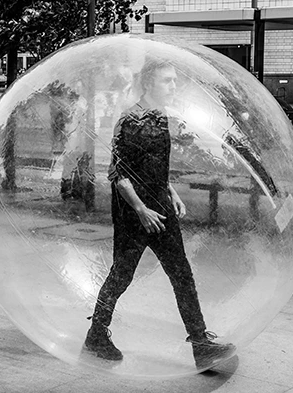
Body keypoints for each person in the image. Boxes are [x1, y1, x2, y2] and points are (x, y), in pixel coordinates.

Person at [83, 59, 235, 370]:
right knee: (121, 276)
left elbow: (155, 167)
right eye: (167, 80)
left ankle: (201, 345)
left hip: (161, 208)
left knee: (182, 274)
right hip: (133, 213)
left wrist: (172, 193)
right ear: (149, 84)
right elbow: (118, 173)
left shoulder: (160, 117)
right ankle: (96, 335)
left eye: (174, 80)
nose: (174, 86)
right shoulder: (131, 120)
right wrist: (140, 209)